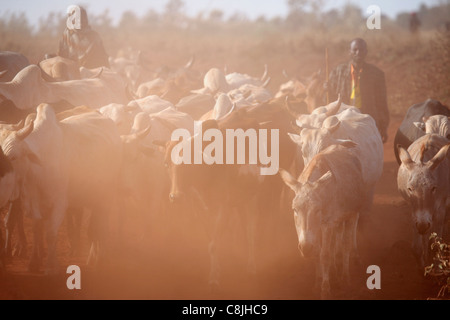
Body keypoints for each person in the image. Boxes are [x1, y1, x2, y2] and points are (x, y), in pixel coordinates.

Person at [326, 38, 389, 143]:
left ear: (366, 52)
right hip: (343, 119)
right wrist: (325, 89)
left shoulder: (377, 74)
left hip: (366, 119)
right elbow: (329, 100)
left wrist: (383, 126)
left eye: (361, 50)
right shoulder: (338, 72)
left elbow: (381, 103)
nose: (358, 52)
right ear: (349, 52)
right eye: (355, 50)